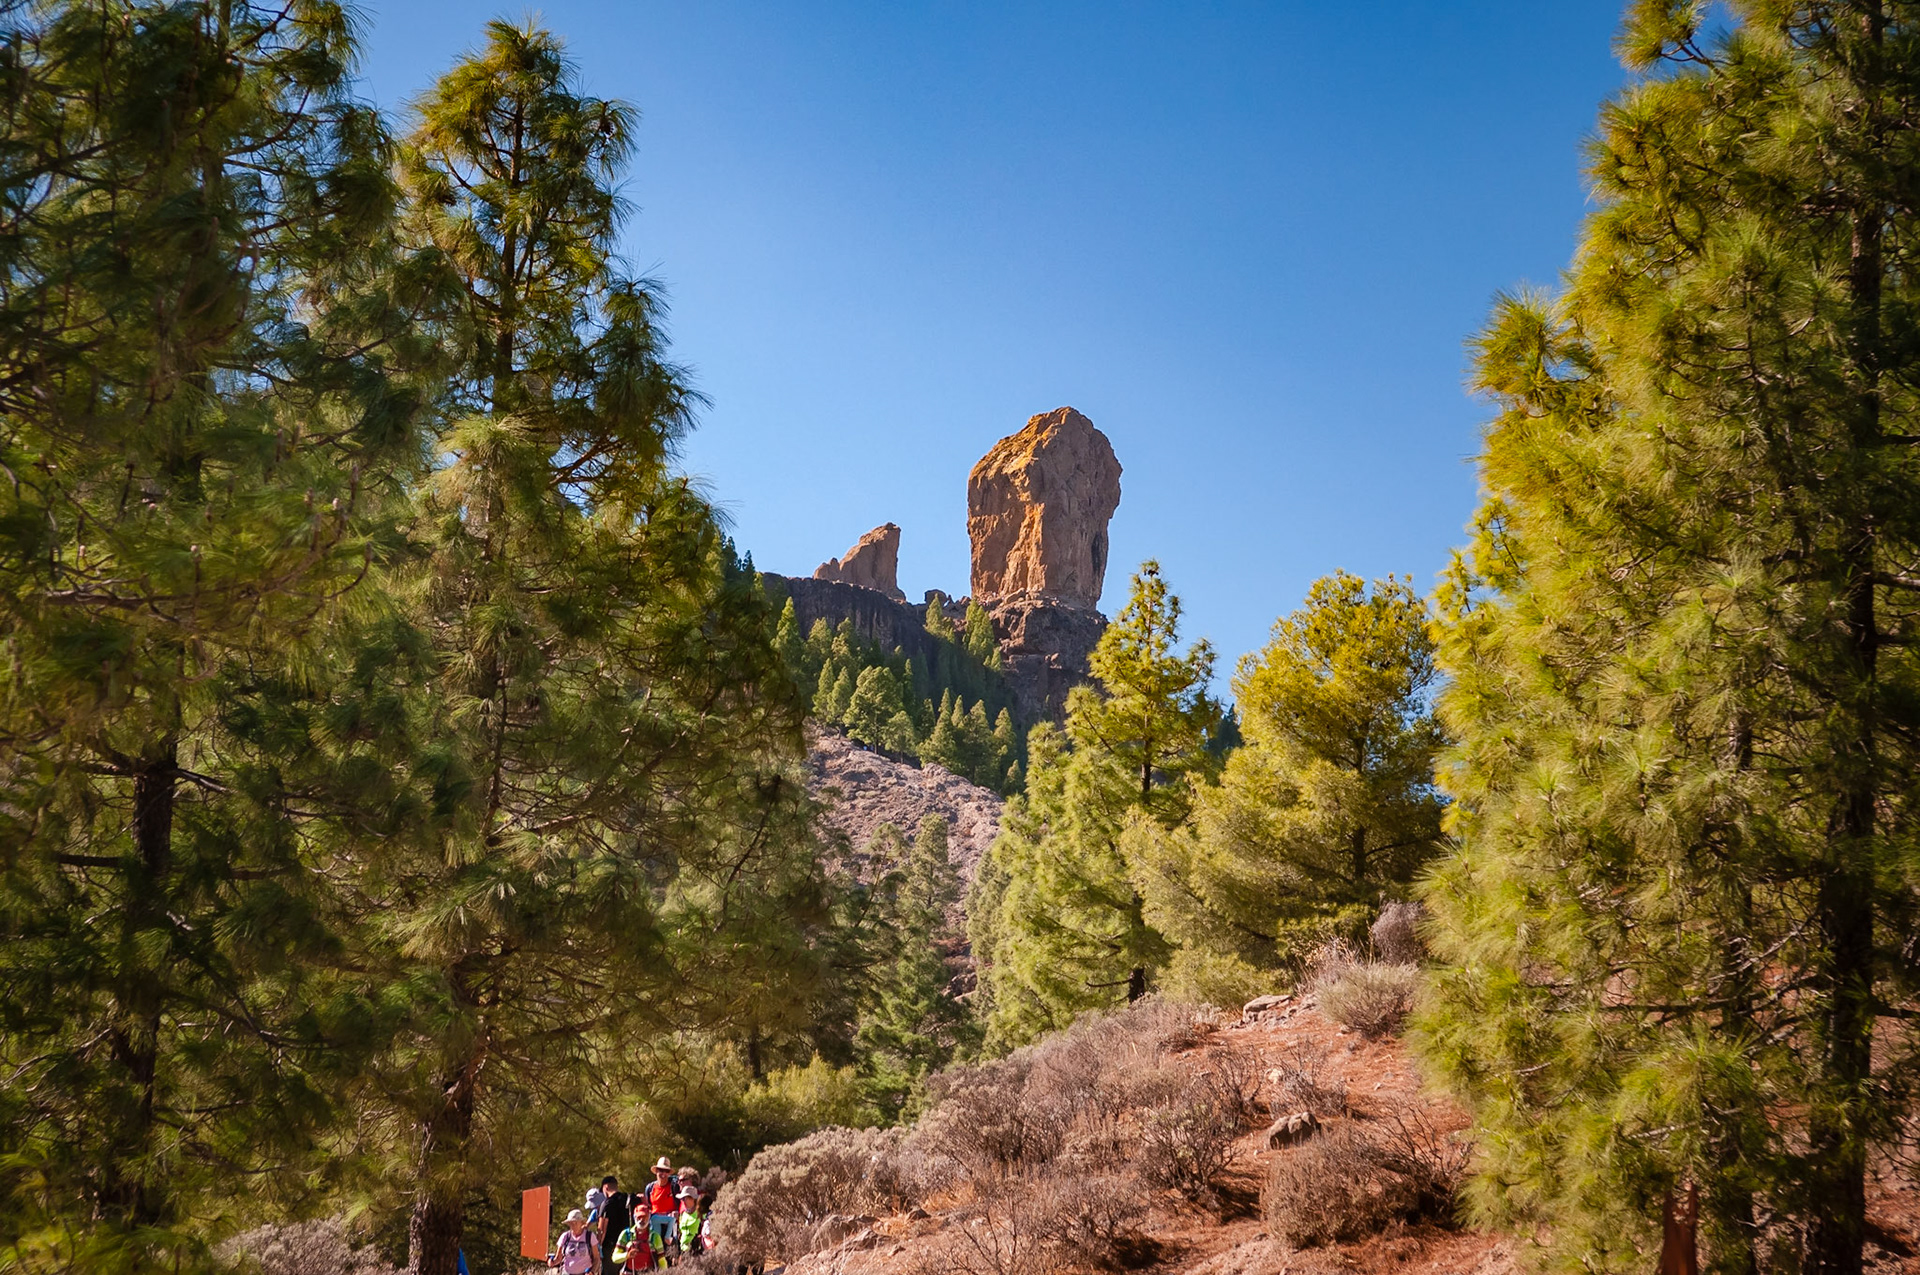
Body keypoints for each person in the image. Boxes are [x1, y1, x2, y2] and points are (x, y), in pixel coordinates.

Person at [643, 1156, 678, 1264]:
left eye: (666, 1171)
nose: (663, 1173)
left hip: (670, 1225)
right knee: (656, 1252)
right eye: (660, 1170)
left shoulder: (673, 1186)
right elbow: (648, 1205)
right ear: (656, 1171)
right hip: (655, 1222)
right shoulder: (650, 1188)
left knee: (670, 1253)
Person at [594, 1174, 632, 1275]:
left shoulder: (606, 1203)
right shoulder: (628, 1198)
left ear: (605, 1187)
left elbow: (601, 1229)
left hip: (611, 1246)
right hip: (627, 1243)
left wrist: (598, 1246)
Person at [550, 1209, 601, 1275]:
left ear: (581, 1223)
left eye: (576, 1223)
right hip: (567, 1272)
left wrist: (592, 1272)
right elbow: (558, 1258)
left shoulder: (590, 1236)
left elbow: (596, 1258)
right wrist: (552, 1262)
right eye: (571, 1223)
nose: (573, 1225)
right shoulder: (565, 1236)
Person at [675, 1186, 703, 1257]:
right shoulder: (682, 1214)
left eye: (685, 1198)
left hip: (695, 1251)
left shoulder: (701, 1214)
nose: (683, 1201)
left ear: (692, 1199)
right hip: (682, 1251)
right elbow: (680, 1233)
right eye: (682, 1199)